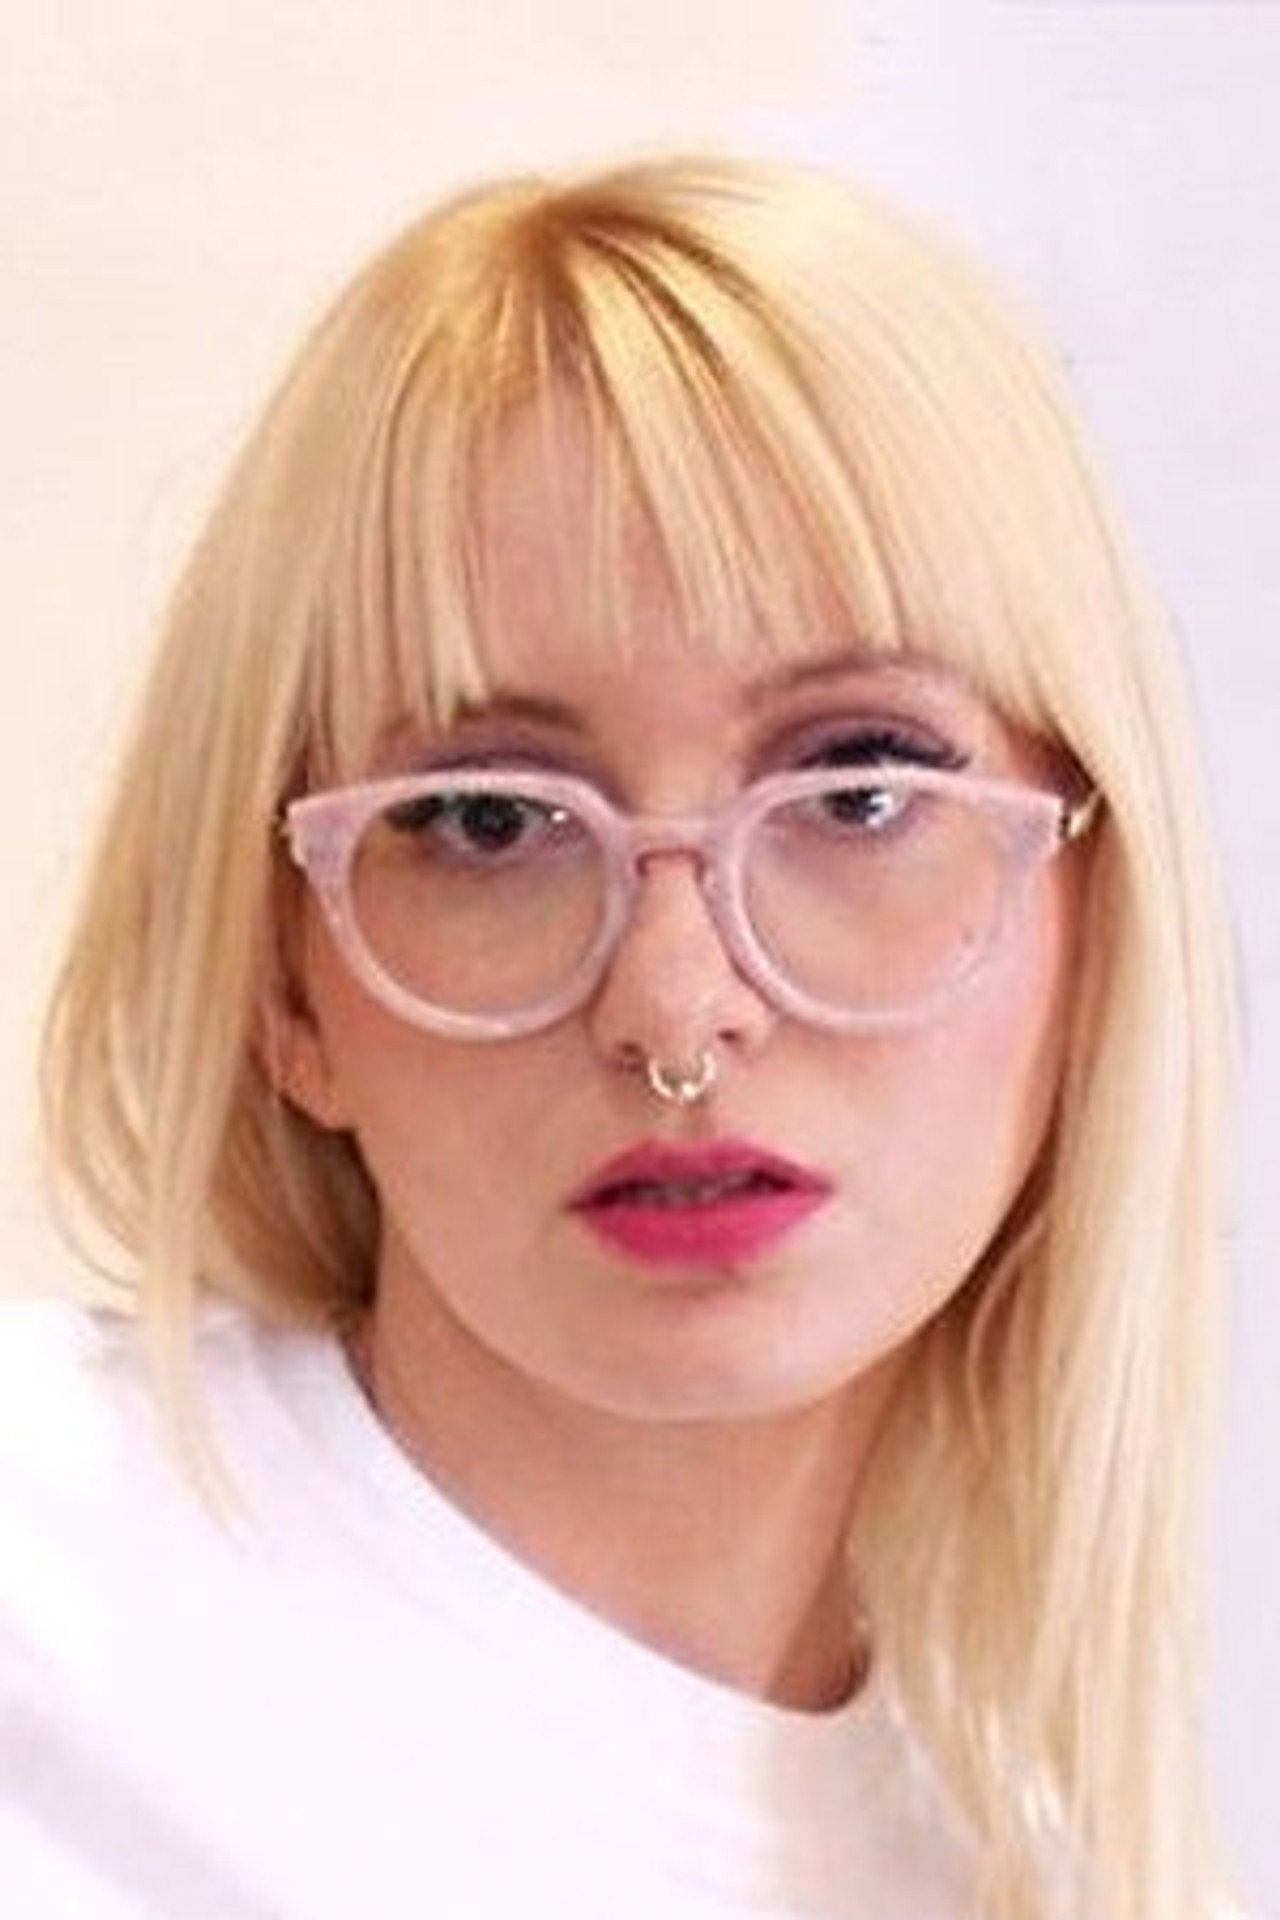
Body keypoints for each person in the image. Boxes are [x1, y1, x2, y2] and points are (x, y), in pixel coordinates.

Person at [0, 153, 1246, 1919]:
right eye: (490, 821)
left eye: (858, 787)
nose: (677, 1007)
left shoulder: (1024, 1866)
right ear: (287, 981)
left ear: (1091, 913)